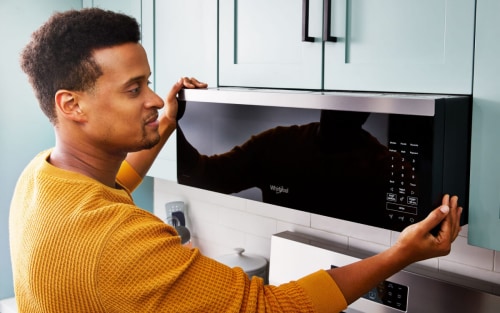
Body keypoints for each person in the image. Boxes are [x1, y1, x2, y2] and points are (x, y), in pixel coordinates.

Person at [9, 7, 462, 313]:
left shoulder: (43, 177)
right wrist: (403, 252)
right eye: (134, 89)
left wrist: (166, 123)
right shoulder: (115, 238)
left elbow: (118, 183)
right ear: (72, 105)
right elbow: (269, 309)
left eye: (149, 83)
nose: (150, 98)